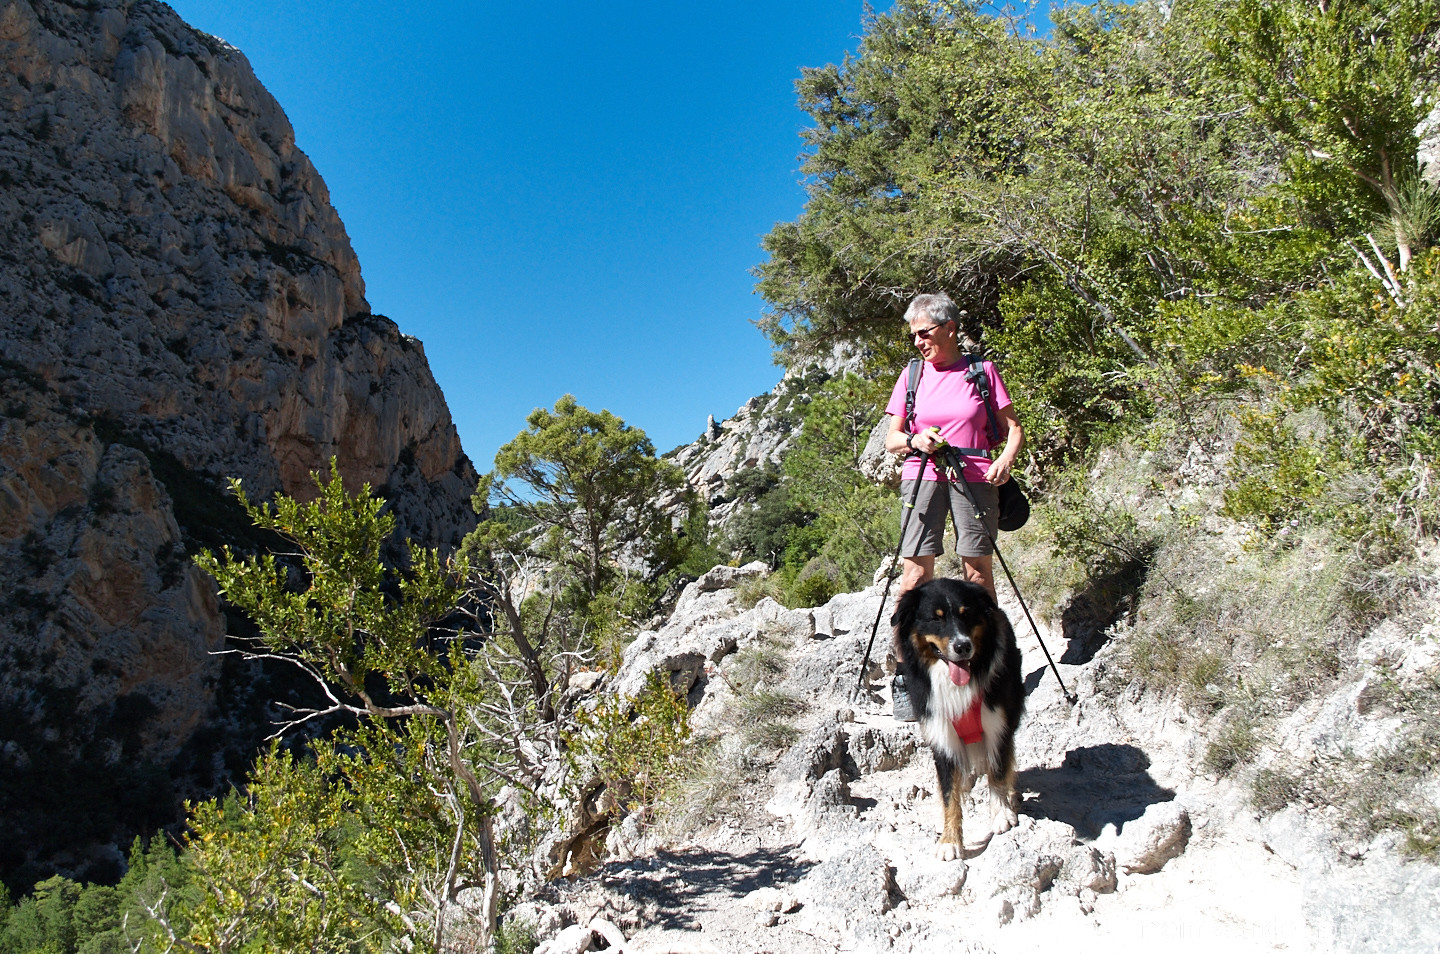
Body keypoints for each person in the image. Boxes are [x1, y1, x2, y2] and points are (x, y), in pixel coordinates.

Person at [882, 292, 1023, 604]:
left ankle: (984, 651)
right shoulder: (912, 375)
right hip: (922, 475)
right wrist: (914, 440)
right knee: (915, 575)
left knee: (978, 573)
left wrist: (1005, 460)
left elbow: (1014, 428)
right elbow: (892, 439)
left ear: (950, 328)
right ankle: (911, 652)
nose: (918, 342)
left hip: (975, 477)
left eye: (924, 333)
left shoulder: (982, 371)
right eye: (913, 336)